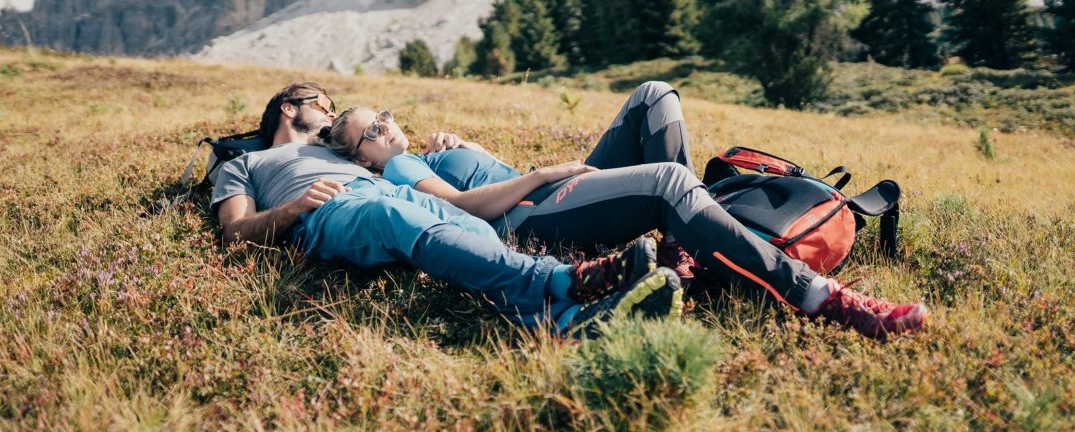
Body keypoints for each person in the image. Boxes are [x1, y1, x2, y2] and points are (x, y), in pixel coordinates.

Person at [325, 82, 929, 342]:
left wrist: (473, 151)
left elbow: (476, 178)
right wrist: (541, 172)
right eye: (369, 133)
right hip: (530, 219)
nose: (384, 127)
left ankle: (690, 248)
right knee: (668, 180)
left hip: (543, 197)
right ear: (361, 157)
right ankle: (822, 297)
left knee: (653, 98)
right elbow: (463, 211)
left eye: (382, 115)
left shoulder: (425, 153)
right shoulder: (396, 171)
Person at [210, 81, 682, 337]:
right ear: (290, 108)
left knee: (468, 230)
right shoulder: (247, 163)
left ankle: (561, 320)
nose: (332, 117)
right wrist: (292, 208)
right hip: (333, 209)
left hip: (391, 195)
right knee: (389, 219)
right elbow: (234, 233)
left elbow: (401, 161)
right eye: (324, 106)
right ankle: (561, 280)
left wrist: (454, 146)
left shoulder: (344, 150)